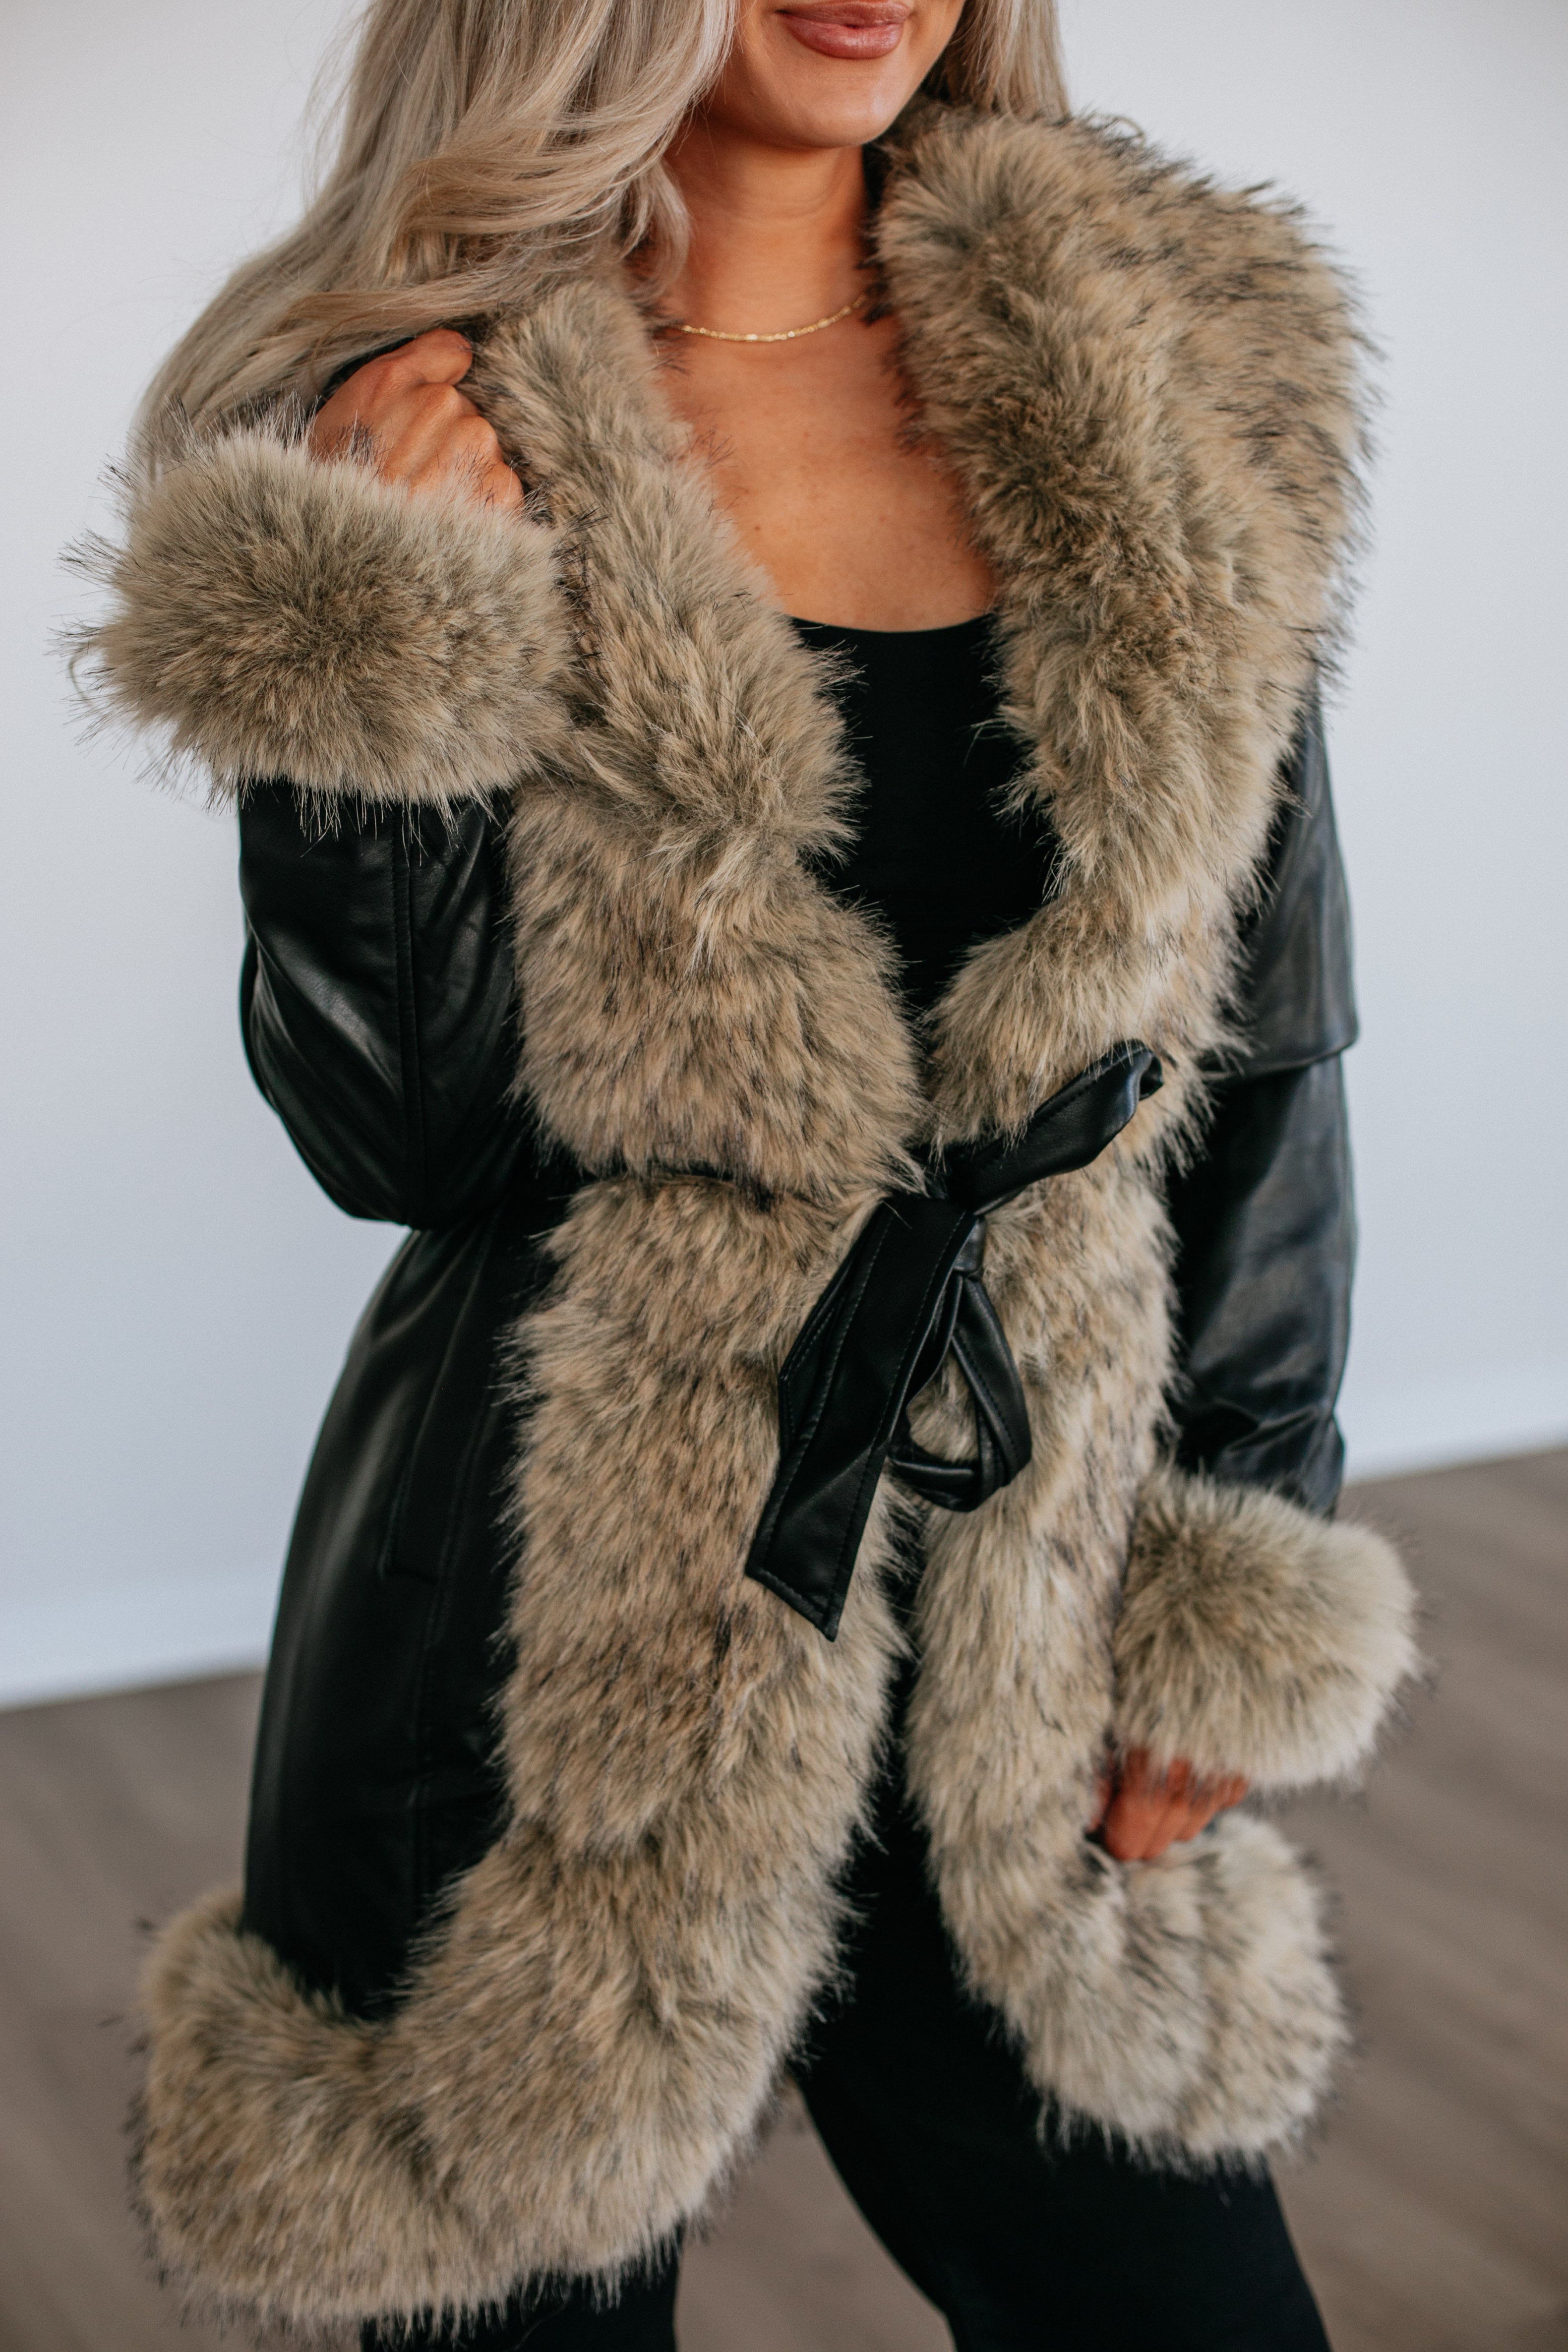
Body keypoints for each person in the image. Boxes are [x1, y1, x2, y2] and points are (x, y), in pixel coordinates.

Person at [77, 2, 1417, 2345]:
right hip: (539, 1656)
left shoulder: (1177, 360)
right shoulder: (421, 417)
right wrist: (384, 624)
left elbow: (1262, 1052)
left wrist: (1241, 1552)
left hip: (1026, 1616)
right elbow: (404, 1139)